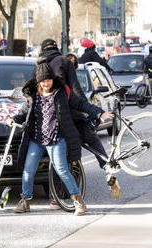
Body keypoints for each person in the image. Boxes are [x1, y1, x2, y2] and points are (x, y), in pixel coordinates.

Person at [9, 62, 113, 216]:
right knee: (28, 171)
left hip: (57, 138)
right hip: (37, 140)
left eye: (48, 80)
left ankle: (78, 201)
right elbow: (24, 111)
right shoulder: (33, 95)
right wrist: (14, 119)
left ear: (52, 79)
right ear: (38, 81)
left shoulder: (62, 92)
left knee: (62, 169)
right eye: (43, 81)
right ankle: (25, 200)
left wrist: (99, 113)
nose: (46, 84)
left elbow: (81, 104)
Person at [39, 39, 121, 203]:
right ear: (57, 48)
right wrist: (88, 111)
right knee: (91, 139)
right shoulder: (64, 62)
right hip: (71, 113)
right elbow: (76, 89)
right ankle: (107, 168)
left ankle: (55, 198)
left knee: (57, 156)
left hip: (50, 118)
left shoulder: (38, 64)